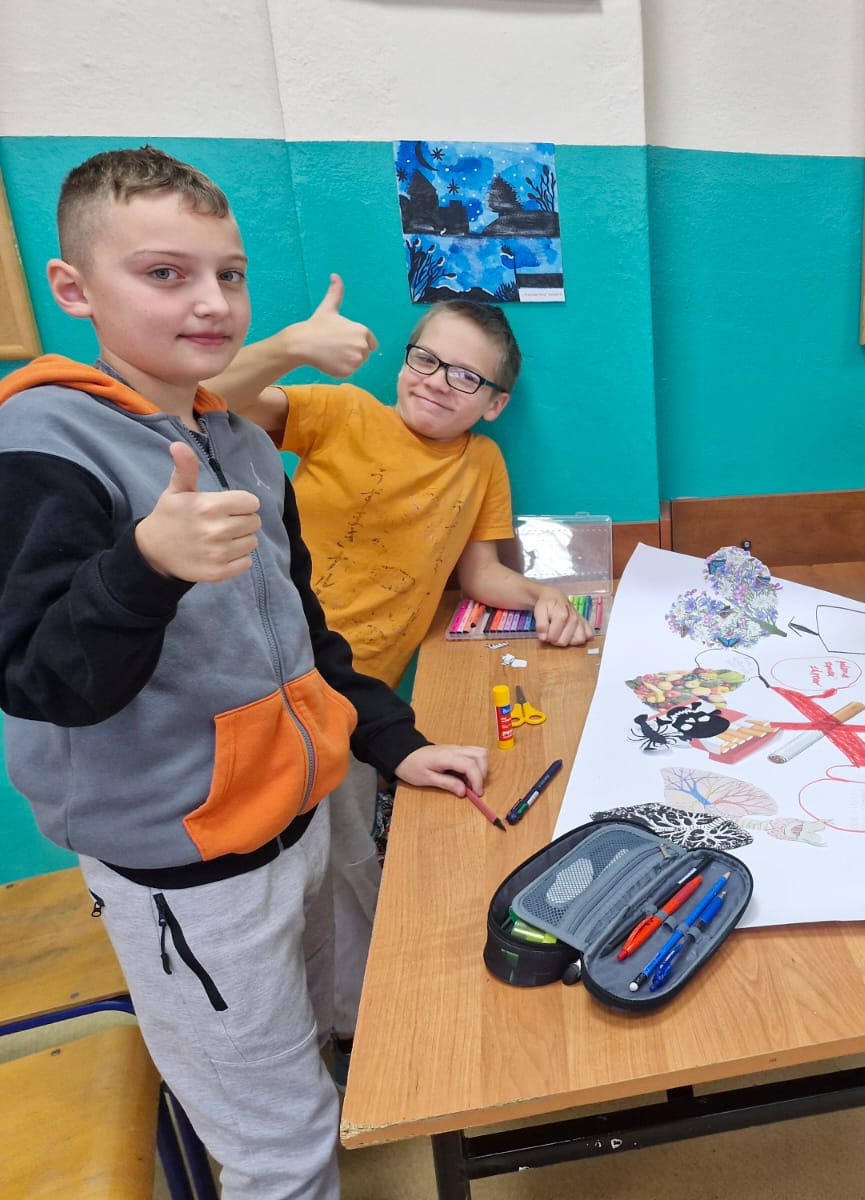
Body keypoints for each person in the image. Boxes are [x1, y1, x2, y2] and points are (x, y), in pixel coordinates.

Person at [0, 145, 489, 1197]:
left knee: (309, 1045)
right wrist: (144, 566)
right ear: (74, 289)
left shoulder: (240, 442)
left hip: (292, 817)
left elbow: (305, 635)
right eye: (165, 273)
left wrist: (394, 744)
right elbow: (40, 678)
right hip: (190, 872)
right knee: (280, 1149)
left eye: (229, 273)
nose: (211, 302)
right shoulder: (40, 441)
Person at [204, 288, 591, 1065]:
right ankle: (289, 1033)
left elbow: (480, 575)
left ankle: (360, 1027)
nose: (437, 382)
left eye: (465, 377)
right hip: (265, 677)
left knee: (350, 863)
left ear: (494, 403)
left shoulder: (482, 462)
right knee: (269, 877)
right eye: (427, 360)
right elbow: (208, 401)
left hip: (360, 705)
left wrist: (543, 596)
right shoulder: (342, 412)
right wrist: (292, 346)